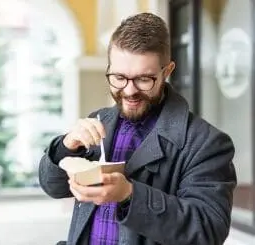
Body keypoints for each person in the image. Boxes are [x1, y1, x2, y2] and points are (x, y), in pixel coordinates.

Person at [38, 12, 237, 245]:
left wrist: (128, 195)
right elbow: (53, 187)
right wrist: (66, 147)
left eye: (144, 79)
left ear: (167, 71)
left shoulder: (207, 143)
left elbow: (208, 231)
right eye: (119, 77)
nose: (129, 91)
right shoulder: (98, 120)